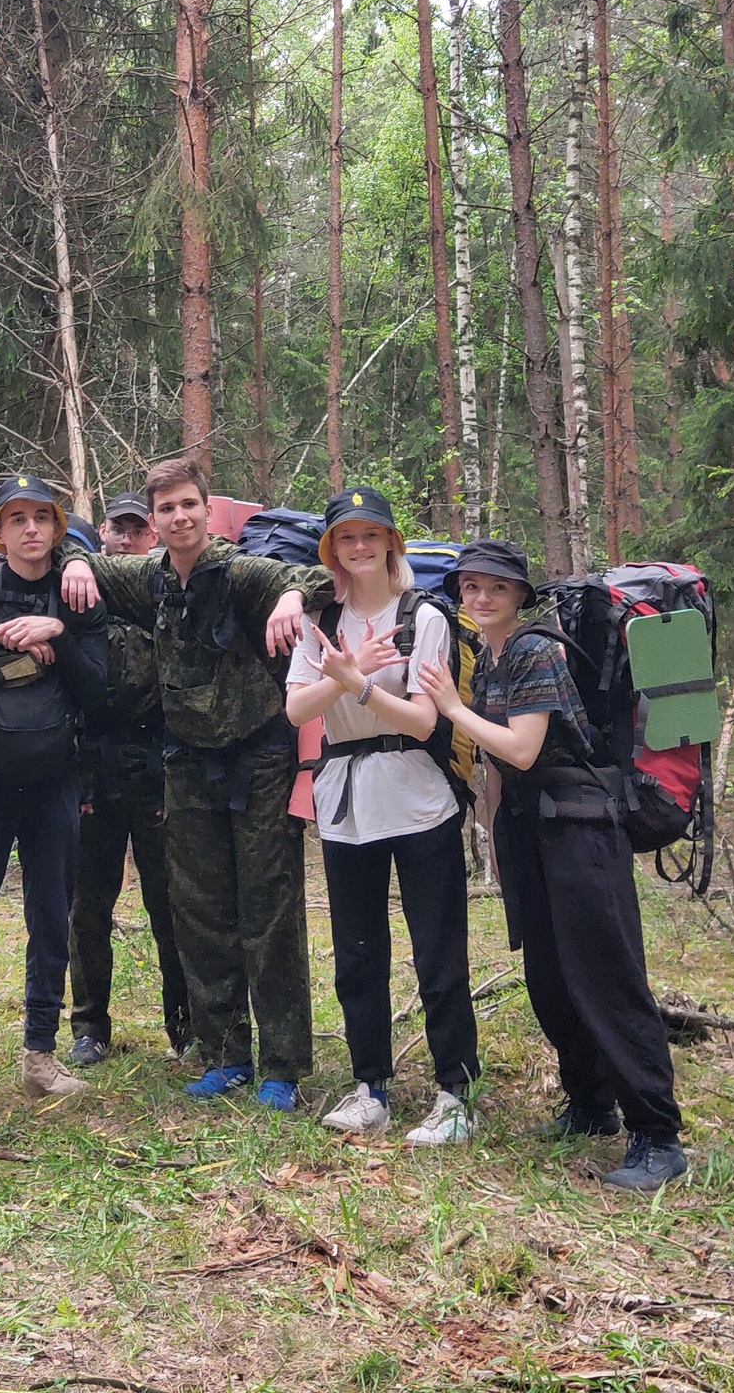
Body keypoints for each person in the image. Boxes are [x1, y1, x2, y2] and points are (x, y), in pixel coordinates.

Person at [418, 537, 690, 1191]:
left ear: (520, 595)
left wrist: (452, 708)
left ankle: (657, 1135)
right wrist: (494, 835)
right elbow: (500, 764)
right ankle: (590, 1104)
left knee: (606, 977)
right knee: (550, 977)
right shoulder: (491, 657)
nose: (482, 597)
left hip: (580, 829)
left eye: (497, 587)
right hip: (530, 831)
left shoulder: (535, 651)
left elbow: (521, 747)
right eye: (471, 586)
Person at [60, 457, 324, 1112]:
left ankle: (283, 1064)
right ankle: (225, 1055)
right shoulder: (147, 577)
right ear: (153, 522)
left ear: (208, 510)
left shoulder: (239, 571)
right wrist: (77, 562)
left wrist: (292, 598)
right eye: (167, 508)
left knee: (268, 912)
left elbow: (307, 575)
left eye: (189, 505)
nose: (179, 517)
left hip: (257, 761)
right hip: (185, 764)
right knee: (200, 914)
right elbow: (75, 556)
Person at [286, 487, 479, 1146]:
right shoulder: (321, 619)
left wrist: (358, 683)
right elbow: (296, 709)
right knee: (357, 953)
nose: (360, 546)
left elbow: (424, 720)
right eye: (347, 536)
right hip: (346, 802)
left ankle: (455, 1093)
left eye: (371, 534)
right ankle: (370, 1086)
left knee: (438, 949)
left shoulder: (422, 616)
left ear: (392, 541)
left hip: (418, 795)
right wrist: (343, 676)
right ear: (331, 549)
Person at [0, 473, 109, 1106]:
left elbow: (100, 692)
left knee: (51, 917)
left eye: (42, 517)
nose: (31, 529)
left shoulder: (78, 593)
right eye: (17, 518)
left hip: (56, 778)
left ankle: (40, 1055)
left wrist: (58, 635)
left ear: (57, 529)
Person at [65, 493, 192, 1068]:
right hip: (92, 765)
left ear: (151, 539)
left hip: (155, 764)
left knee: (169, 902)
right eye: (117, 528)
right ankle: (89, 1026)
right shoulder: (74, 590)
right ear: (102, 532)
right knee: (88, 904)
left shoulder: (163, 593)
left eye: (137, 530)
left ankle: (184, 1026)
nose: (125, 538)